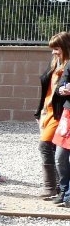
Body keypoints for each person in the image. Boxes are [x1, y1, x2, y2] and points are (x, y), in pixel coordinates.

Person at [37, 33, 70, 198]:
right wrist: (39, 112)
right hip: (48, 111)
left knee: (46, 146)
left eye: (56, 48)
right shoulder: (56, 63)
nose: (53, 52)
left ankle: (52, 186)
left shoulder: (67, 66)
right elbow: (47, 90)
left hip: (60, 113)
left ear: (65, 47)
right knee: (53, 148)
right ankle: (57, 187)